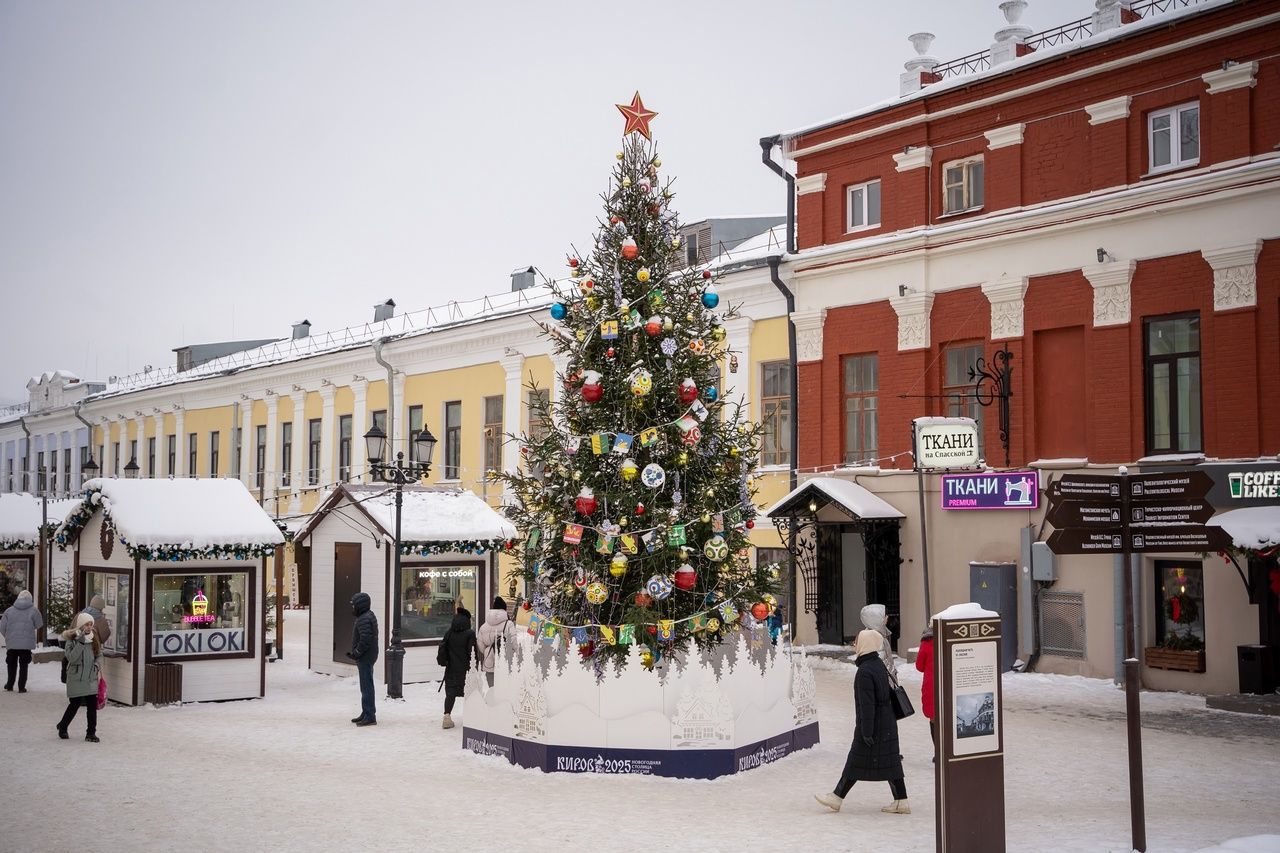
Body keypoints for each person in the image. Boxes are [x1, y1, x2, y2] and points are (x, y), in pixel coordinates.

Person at [815, 629, 909, 815]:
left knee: (856, 761)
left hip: (874, 724)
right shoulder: (877, 664)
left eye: (857, 641)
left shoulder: (865, 671)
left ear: (865, 644)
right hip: (885, 722)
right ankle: (901, 801)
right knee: (889, 762)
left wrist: (866, 731)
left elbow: (867, 705)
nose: (855, 644)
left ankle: (836, 797)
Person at [57, 613, 101, 742]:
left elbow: (99, 654)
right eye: (87, 624)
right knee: (75, 704)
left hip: (90, 677)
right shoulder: (72, 639)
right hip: (76, 677)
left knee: (92, 706)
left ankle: (91, 733)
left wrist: (97, 666)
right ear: (81, 625)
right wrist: (80, 643)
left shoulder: (94, 638)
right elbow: (71, 658)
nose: (89, 627)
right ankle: (63, 727)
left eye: (91, 624)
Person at [436, 607, 480, 729]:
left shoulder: (449, 633)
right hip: (465, 670)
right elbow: (472, 653)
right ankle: (471, 718)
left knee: (450, 694)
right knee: (469, 693)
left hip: (451, 670)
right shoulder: (469, 634)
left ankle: (447, 717)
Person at [346, 592, 379, 727]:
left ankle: (370, 715)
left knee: (366, 687)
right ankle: (366, 712)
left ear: (360, 606)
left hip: (365, 656)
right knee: (366, 685)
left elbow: (365, 639)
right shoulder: (367, 616)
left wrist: (357, 652)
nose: (352, 608)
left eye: (354, 606)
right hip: (368, 656)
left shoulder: (364, 619)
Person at [1, 589, 44, 693]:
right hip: (26, 645)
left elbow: (2, 627)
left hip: (12, 644)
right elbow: (39, 624)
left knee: (11, 664)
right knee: (24, 665)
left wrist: (8, 637)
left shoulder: (8, 611)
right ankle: (21, 687)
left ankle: (10, 684)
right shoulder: (34, 610)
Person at [476, 597, 517, 688]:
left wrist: (488, 651)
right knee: (504, 690)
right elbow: (513, 642)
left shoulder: (483, 626)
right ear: (504, 609)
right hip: (505, 661)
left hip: (489, 662)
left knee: (492, 690)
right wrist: (516, 653)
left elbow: (480, 644)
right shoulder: (509, 624)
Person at [916, 627, 937, 761]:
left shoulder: (926, 643)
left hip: (931, 685)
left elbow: (919, 666)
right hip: (949, 683)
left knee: (934, 718)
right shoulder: (947, 640)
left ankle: (939, 751)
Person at [859, 603, 896, 677]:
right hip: (882, 679)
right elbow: (880, 661)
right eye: (884, 615)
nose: (887, 617)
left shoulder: (881, 634)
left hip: (886, 678)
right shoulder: (874, 638)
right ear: (876, 618)